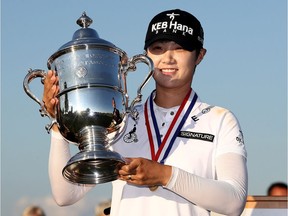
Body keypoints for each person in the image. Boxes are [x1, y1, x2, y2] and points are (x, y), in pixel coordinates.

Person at [43, 9, 248, 216]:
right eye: (158, 48)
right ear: (146, 55)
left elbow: (234, 201)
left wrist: (164, 175)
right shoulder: (121, 120)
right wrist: (59, 123)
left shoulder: (219, 120)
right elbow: (65, 195)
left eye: (180, 49)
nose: (168, 58)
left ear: (199, 56)